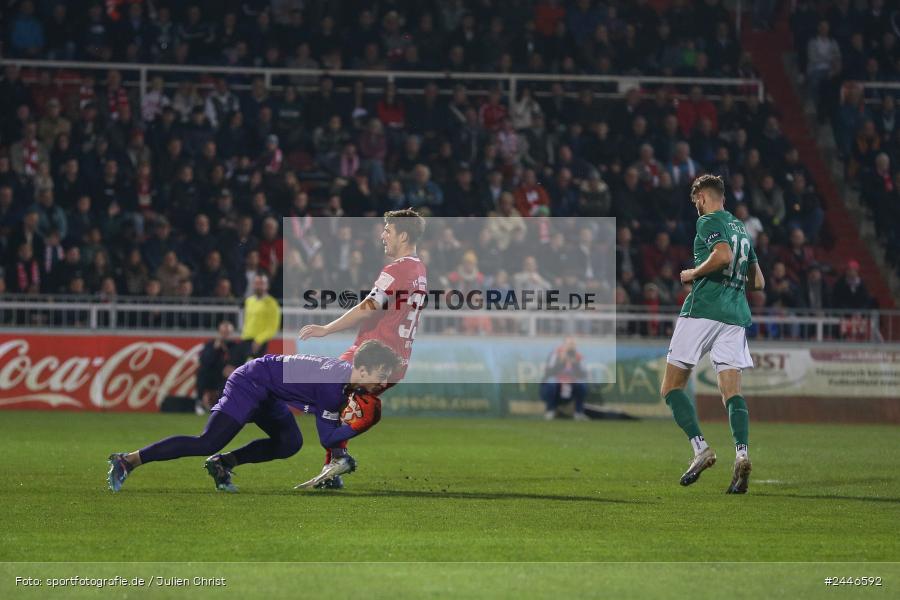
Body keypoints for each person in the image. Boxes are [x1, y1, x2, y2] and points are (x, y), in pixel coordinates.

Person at [107, 339, 401, 493]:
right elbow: (328, 436)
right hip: (250, 382)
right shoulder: (333, 388)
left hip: (269, 390)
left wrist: (341, 448)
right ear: (362, 369)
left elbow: (333, 430)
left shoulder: (343, 380)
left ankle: (223, 464)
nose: (382, 380)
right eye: (380, 373)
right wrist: (361, 426)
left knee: (289, 442)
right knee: (207, 441)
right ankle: (128, 460)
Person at [298, 209, 427, 488]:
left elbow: (367, 309)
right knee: (340, 404)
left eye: (388, 230)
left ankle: (339, 459)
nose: (383, 235)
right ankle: (334, 468)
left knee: (330, 394)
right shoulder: (419, 270)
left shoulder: (396, 269)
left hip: (372, 354)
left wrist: (326, 329)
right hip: (397, 360)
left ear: (403, 235)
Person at [660, 175, 765, 494]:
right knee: (731, 392)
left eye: (696, 202)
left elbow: (721, 256)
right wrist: (733, 284)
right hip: (735, 317)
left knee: (671, 386)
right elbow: (758, 281)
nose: (697, 207)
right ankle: (742, 455)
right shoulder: (742, 230)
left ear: (704, 197)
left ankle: (701, 449)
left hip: (703, 310)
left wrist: (693, 273)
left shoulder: (709, 222)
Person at [196, 320, 241, 414]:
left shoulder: (236, 347)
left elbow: (240, 362)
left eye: (227, 333)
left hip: (229, 376)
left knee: (231, 379)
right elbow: (204, 361)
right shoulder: (211, 345)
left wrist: (233, 369)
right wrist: (215, 349)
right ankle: (200, 402)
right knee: (201, 372)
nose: (225, 335)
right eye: (223, 333)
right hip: (213, 375)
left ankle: (227, 406)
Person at [540, 337, 589, 421]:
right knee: (551, 383)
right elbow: (548, 372)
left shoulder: (578, 357)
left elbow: (583, 374)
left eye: (573, 344)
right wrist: (561, 361)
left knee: (582, 385)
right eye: (569, 344)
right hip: (557, 385)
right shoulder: (555, 354)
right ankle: (550, 411)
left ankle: (578, 412)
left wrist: (574, 363)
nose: (571, 346)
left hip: (571, 385)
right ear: (564, 345)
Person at [239, 273, 281, 359]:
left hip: (260, 342)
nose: (259, 286)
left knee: (255, 369)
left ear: (267, 286)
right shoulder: (249, 301)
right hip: (246, 339)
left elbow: (273, 327)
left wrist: (259, 340)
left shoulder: (272, 304)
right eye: (257, 283)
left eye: (262, 283)